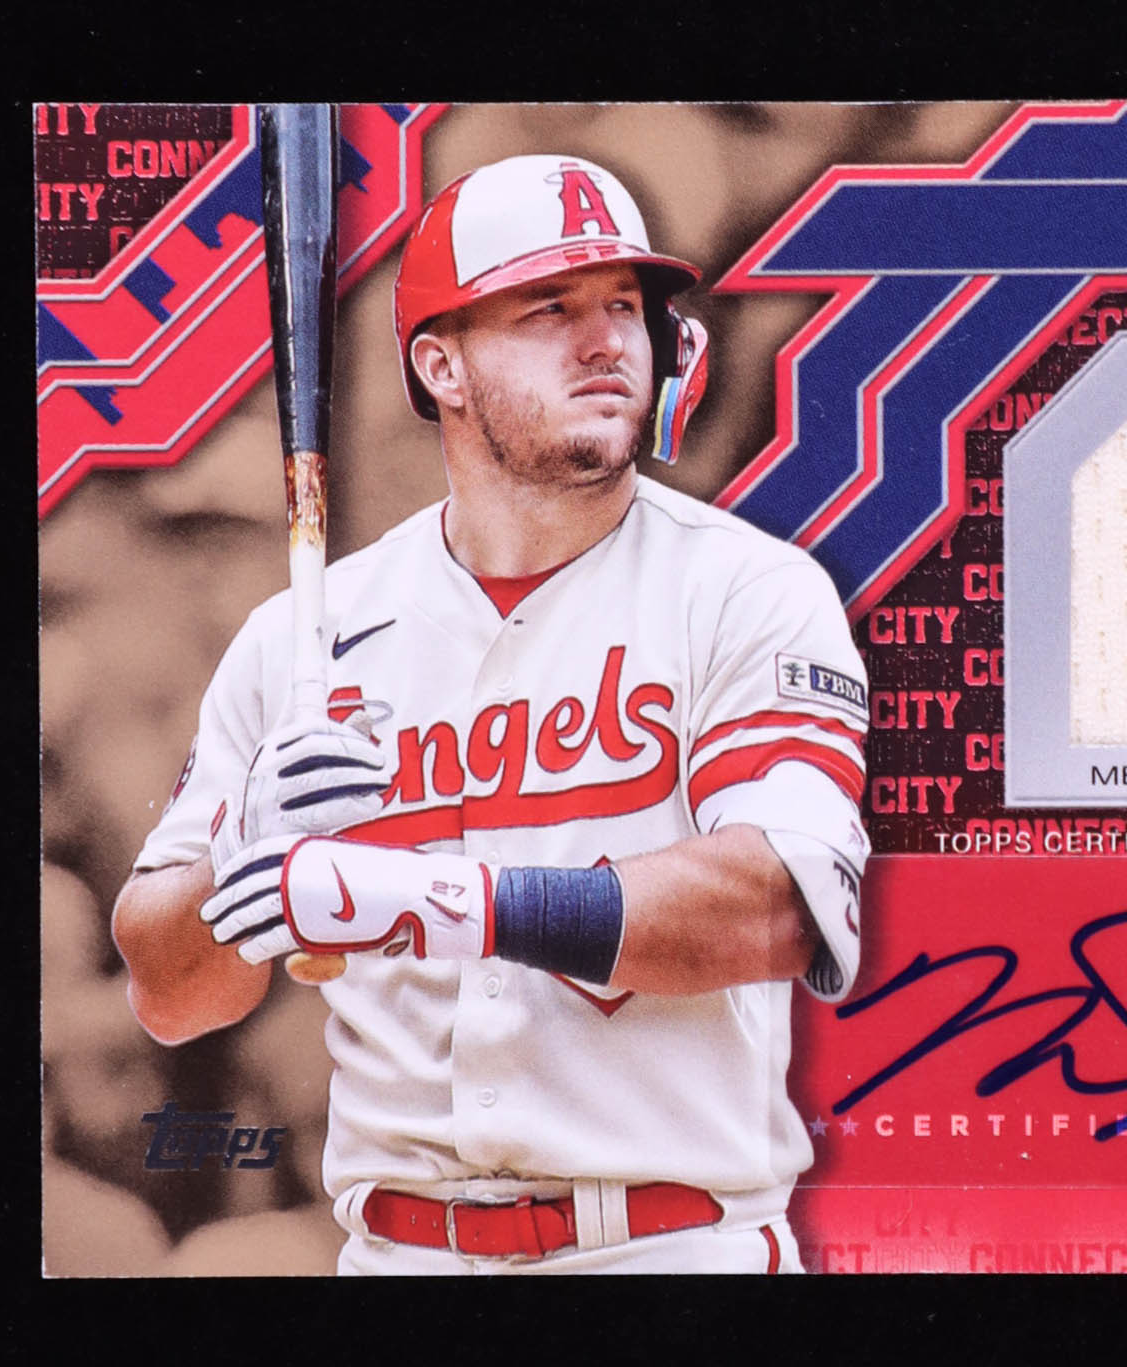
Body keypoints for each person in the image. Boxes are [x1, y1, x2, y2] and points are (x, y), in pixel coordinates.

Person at [112, 154, 870, 1274]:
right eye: (549, 308)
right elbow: (170, 992)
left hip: (666, 1249)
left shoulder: (745, 590)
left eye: (624, 305)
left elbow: (774, 910)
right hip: (400, 1254)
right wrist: (239, 861)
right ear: (442, 364)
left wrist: (436, 897)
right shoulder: (304, 633)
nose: (606, 341)